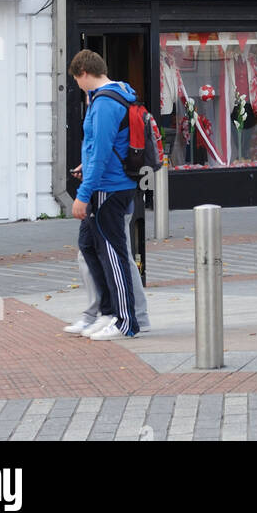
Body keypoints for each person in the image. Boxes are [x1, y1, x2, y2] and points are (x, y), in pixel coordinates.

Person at [68, 49, 141, 340]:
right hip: (109, 183)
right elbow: (104, 148)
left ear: (84, 73)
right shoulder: (117, 95)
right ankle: (108, 312)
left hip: (108, 188)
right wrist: (86, 166)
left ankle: (126, 321)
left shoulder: (104, 103)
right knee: (88, 245)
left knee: (112, 254)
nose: (77, 85)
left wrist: (83, 194)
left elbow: (100, 152)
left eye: (76, 79)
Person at [64, 173, 151, 336]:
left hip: (108, 194)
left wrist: (82, 194)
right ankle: (106, 313)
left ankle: (130, 316)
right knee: (91, 252)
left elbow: (101, 158)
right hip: (102, 194)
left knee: (117, 258)